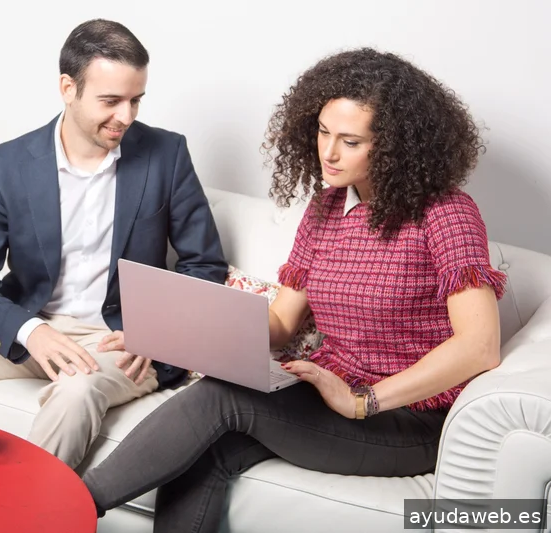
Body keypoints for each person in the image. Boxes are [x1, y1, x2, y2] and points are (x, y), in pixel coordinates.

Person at [82, 48, 507, 532]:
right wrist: (168, 332)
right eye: (324, 132)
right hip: (327, 394)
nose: (329, 152)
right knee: (203, 450)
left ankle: (64, 506)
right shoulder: (326, 208)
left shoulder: (446, 213)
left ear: (395, 146)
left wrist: (364, 400)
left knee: (221, 396)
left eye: (350, 141)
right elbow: (282, 323)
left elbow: (479, 345)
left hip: (408, 417)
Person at [0, 19, 227, 469]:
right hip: (31, 325)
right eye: (111, 101)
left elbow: (205, 264)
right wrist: (30, 330)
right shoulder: (6, 165)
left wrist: (158, 332)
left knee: (77, 391)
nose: (126, 116)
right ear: (68, 88)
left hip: (117, 340)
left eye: (136, 100)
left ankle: (24, 507)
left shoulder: (167, 154)